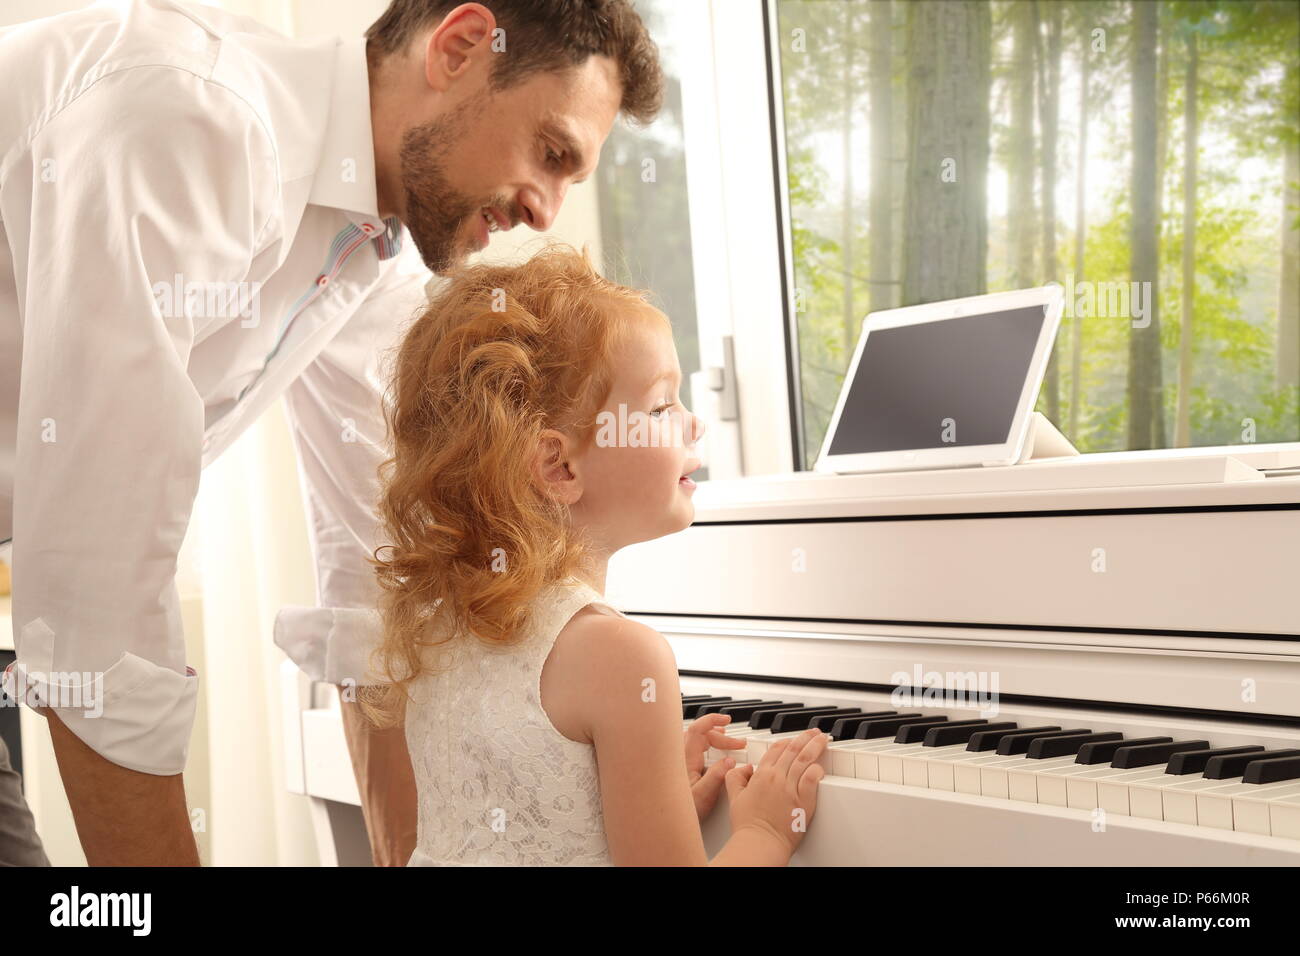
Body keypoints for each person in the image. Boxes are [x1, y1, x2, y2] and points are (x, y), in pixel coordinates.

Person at [0, 0, 662, 866]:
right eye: (552, 152)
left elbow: (371, 594)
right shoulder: (194, 120)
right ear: (461, 47)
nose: (547, 209)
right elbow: (97, 587)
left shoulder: (370, 256)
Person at [365, 244, 828, 865]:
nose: (693, 425)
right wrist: (764, 833)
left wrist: (644, 790)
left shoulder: (440, 630)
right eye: (663, 406)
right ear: (558, 466)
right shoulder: (621, 657)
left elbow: (523, 825)